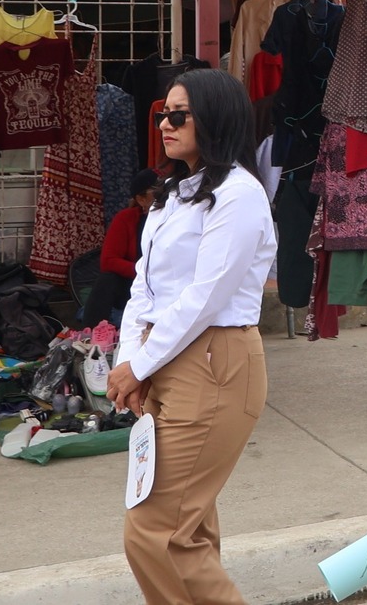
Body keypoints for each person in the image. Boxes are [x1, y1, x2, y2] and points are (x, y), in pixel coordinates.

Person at [105, 71, 276, 605]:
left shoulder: (238, 194)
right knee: (189, 529)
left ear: (215, 118)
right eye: (164, 113)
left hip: (212, 362)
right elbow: (144, 285)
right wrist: (130, 360)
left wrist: (140, 365)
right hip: (165, 359)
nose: (165, 124)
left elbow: (207, 295)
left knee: (156, 532)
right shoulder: (173, 195)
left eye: (179, 115)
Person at [78, 167, 159, 327]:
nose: (164, 195)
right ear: (141, 199)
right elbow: (109, 261)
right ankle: (93, 332)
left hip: (163, 283)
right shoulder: (126, 219)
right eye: (156, 191)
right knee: (108, 279)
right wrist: (143, 271)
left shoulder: (173, 218)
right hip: (135, 282)